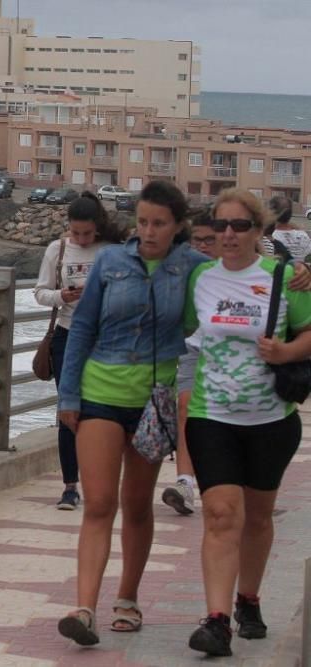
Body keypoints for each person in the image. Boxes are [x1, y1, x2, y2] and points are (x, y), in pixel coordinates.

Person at [55, 180, 208, 646]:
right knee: (99, 503)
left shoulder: (193, 268)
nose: (149, 231)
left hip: (152, 401)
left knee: (136, 505)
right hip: (100, 391)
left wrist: (300, 274)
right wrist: (68, 396)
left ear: (178, 225)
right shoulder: (110, 261)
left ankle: (128, 598)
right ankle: (84, 609)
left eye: (159, 223)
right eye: (142, 222)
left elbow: (246, 284)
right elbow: (81, 328)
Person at [183, 188, 311, 657]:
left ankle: (248, 599)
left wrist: (287, 351)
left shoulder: (283, 276)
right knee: (220, 516)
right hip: (210, 415)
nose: (229, 235)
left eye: (240, 226)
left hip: (271, 419)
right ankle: (216, 621)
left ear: (259, 231)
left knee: (257, 518)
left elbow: (309, 333)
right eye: (220, 226)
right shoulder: (198, 277)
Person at [34, 192, 124, 511]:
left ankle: (102, 481)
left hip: (105, 339)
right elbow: (40, 293)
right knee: (68, 411)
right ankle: (70, 486)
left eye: (87, 233)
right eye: (76, 233)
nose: (82, 239)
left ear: (98, 228)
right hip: (67, 335)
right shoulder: (56, 251)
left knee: (102, 413)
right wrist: (64, 296)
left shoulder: (113, 251)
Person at [161, 207, 219, 516]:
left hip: (235, 357)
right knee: (185, 407)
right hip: (193, 348)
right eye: (198, 240)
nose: (203, 247)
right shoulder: (192, 270)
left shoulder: (249, 273)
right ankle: (185, 483)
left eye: (211, 240)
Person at [262, 195, 311, 262]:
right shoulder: (303, 235)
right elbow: (308, 256)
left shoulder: (269, 238)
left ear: (271, 212)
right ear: (290, 213)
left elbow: (263, 263)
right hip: (300, 270)